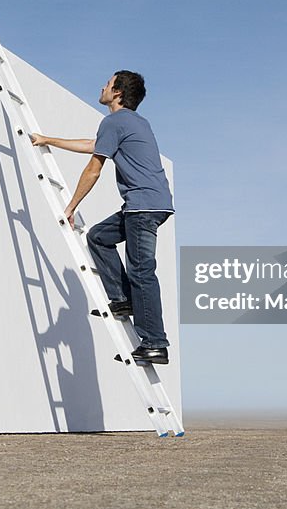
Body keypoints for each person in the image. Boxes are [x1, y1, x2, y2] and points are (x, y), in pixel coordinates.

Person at [30, 71, 174, 365]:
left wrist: (70, 206)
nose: (102, 86)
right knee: (99, 237)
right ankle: (124, 299)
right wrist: (48, 140)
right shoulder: (130, 123)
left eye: (107, 83)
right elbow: (93, 145)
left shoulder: (115, 121)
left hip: (142, 207)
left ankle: (155, 343)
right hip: (149, 204)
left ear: (118, 93)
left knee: (142, 271)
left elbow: (94, 169)